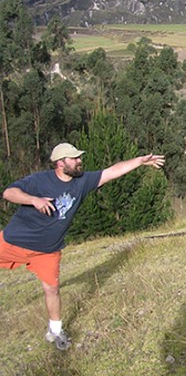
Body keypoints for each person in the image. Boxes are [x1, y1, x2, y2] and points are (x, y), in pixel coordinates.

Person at [1, 143, 165, 350]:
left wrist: (139, 161)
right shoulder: (39, 180)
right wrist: (33, 199)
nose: (80, 161)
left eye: (79, 158)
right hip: (13, 241)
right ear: (61, 163)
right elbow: (9, 193)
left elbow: (112, 171)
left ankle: (55, 330)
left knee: (52, 289)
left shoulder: (82, 181)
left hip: (47, 251)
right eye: (75, 158)